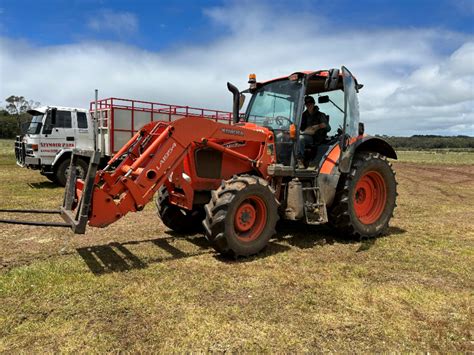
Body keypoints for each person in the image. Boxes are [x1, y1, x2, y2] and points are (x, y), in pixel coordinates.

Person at [297, 96, 330, 169]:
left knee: (301, 138)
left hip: (316, 138)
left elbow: (328, 128)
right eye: (307, 104)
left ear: (314, 104)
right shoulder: (302, 116)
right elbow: (299, 126)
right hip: (305, 134)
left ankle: (300, 159)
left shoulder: (320, 115)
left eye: (310, 103)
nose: (309, 105)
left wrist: (318, 126)